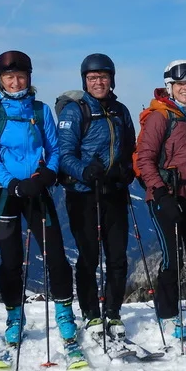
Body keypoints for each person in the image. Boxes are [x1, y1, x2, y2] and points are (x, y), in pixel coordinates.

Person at [0, 50, 78, 363]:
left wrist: (47, 174)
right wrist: (12, 183)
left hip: (37, 190)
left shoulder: (41, 110)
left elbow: (54, 148)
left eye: (20, 76)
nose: (15, 82)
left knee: (56, 254)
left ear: (29, 78)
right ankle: (14, 316)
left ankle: (64, 312)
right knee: (10, 261)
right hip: (6, 193)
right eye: (9, 77)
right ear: (0, 80)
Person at [56, 53, 137, 344]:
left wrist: (127, 168)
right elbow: (64, 154)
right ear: (85, 81)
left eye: (103, 77)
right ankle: (91, 313)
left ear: (111, 79)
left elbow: (130, 146)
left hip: (114, 191)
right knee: (89, 256)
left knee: (117, 256)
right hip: (83, 194)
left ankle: (113, 311)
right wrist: (84, 171)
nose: (98, 82)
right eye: (92, 78)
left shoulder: (120, 110)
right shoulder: (74, 112)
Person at [135, 59, 186, 340]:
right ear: (169, 86)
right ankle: (168, 316)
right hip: (165, 195)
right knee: (171, 258)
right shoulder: (159, 117)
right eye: (180, 84)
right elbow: (145, 159)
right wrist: (160, 192)